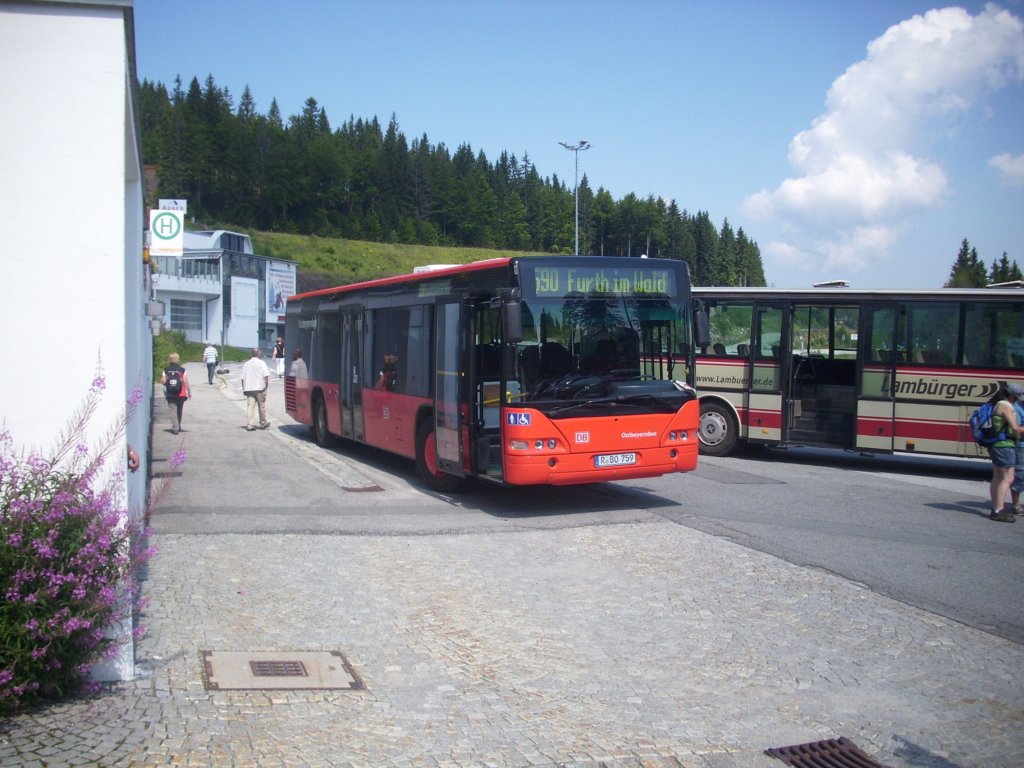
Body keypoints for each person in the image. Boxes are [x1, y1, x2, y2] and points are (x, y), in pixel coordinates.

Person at [986, 382, 1024, 522]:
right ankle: (998, 510)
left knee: (997, 477)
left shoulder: (999, 403)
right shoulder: (1005, 406)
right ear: (1013, 396)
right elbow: (1015, 428)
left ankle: (996, 508)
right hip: (1005, 446)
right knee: (1007, 478)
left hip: (998, 445)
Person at [160, 352, 190, 435]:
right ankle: (178, 426)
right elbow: (185, 381)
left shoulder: (166, 370)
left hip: (170, 393)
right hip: (181, 393)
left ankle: (175, 427)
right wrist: (189, 391)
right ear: (178, 360)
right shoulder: (182, 370)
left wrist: (167, 382)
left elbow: (163, 381)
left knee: (172, 410)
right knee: (179, 410)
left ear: (169, 360)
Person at [241, 347, 271, 431]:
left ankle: (250, 424)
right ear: (258, 354)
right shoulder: (262, 363)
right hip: (259, 388)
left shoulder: (246, 364)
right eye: (260, 352)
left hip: (249, 388)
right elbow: (266, 377)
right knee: (261, 406)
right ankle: (263, 423)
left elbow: (242, 378)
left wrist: (244, 388)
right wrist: (266, 387)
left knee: (250, 406)